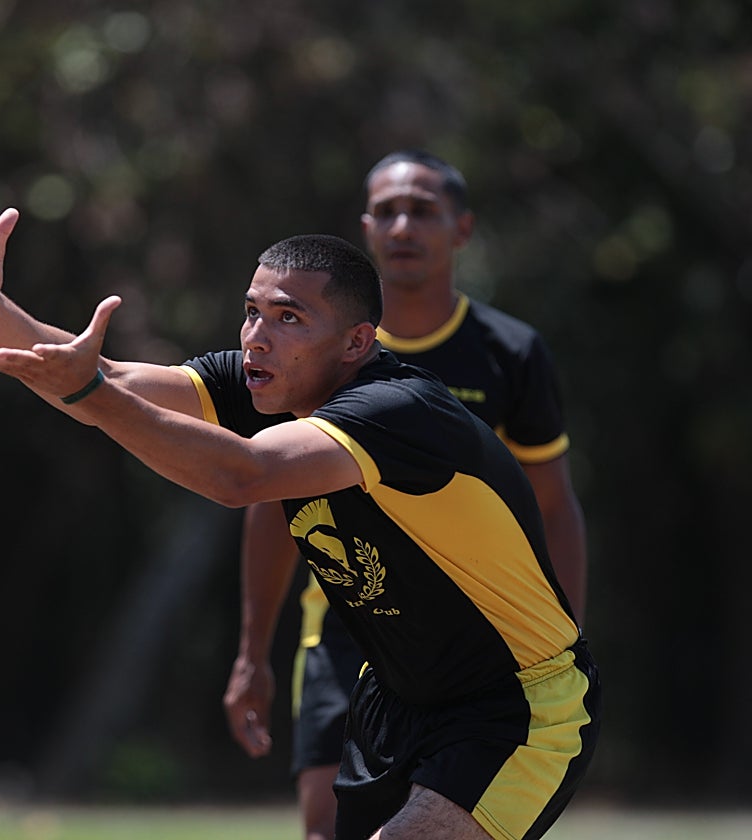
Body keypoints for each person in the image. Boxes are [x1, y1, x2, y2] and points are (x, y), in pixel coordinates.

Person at [0, 203, 601, 839]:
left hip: (516, 703)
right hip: (396, 696)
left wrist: (88, 393)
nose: (257, 335)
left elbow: (239, 475)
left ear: (356, 343)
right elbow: (112, 376)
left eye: (289, 318)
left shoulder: (398, 409)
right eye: (252, 311)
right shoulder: (268, 381)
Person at [222, 150, 591, 840]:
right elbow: (267, 494)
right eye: (386, 212)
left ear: (462, 228)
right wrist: (252, 650)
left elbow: (552, 503)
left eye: (422, 211)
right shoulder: (312, 348)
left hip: (464, 636)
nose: (402, 227)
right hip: (345, 625)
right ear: (365, 228)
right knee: (325, 827)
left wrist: (560, 647)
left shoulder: (508, 352)